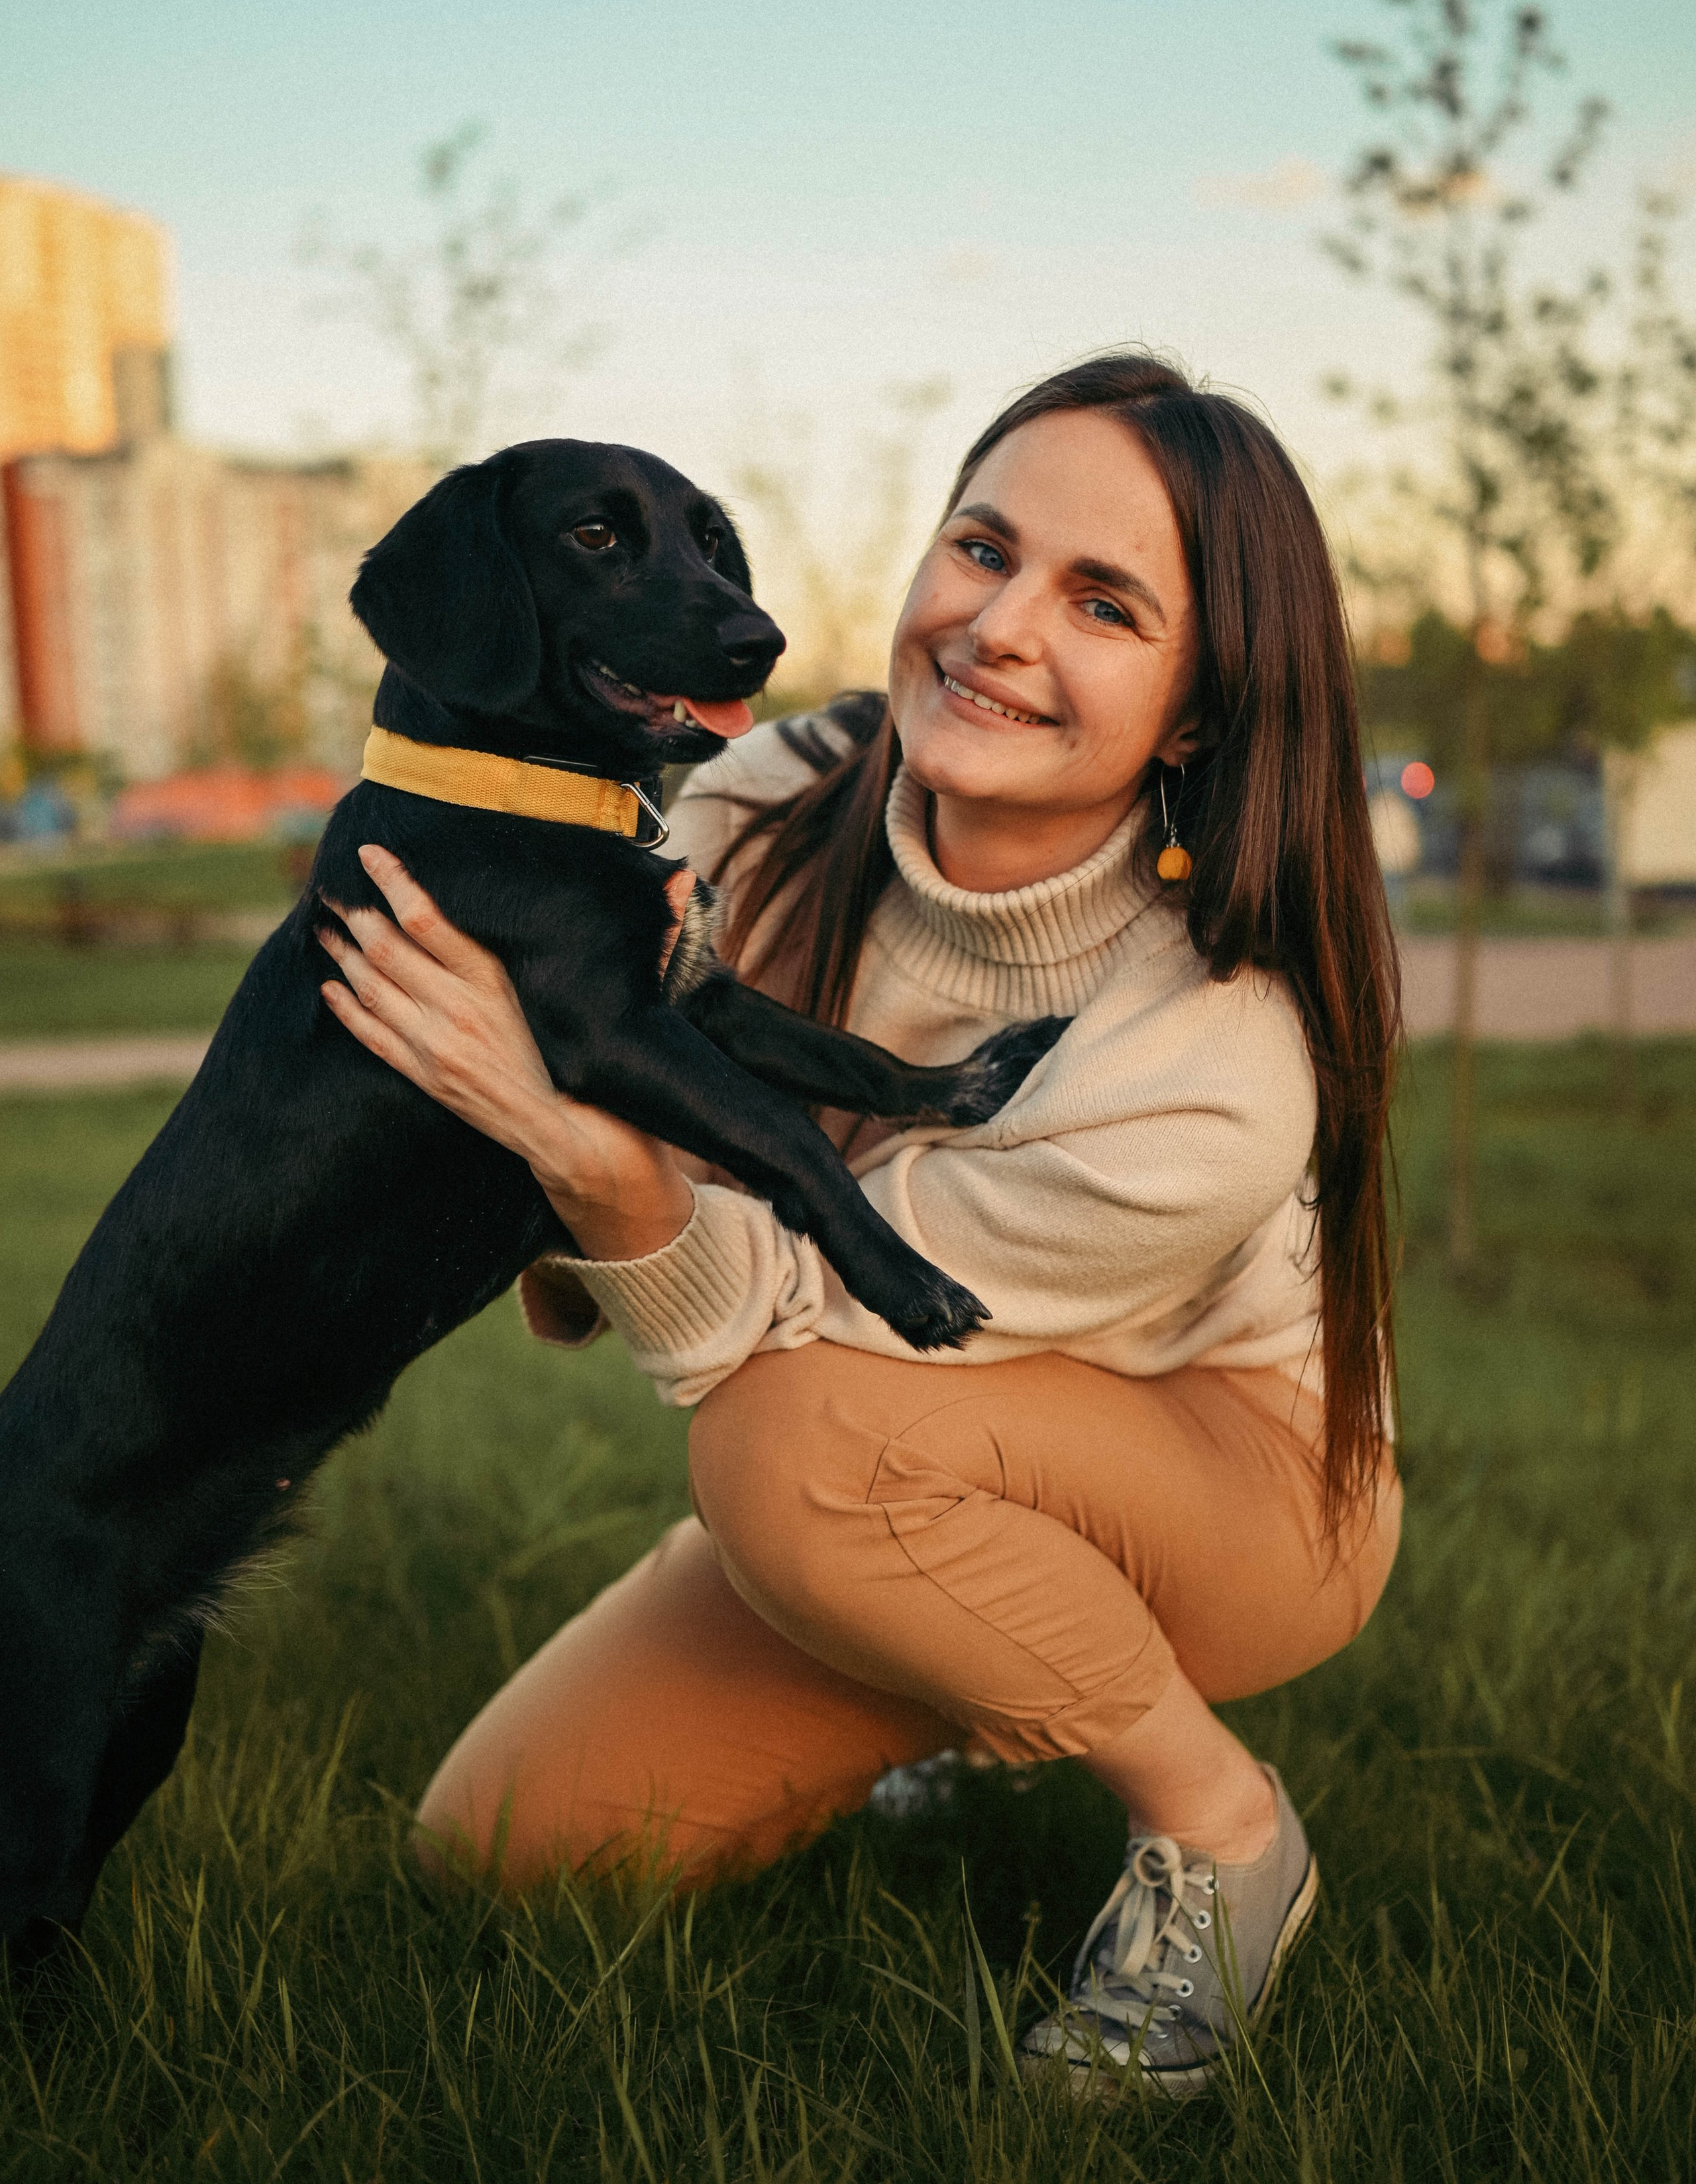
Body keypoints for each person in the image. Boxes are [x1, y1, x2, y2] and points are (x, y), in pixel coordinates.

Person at [317, 352, 1403, 2097]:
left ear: (1199, 712)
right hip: (918, 1461)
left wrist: (575, 1147)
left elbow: (815, 1318)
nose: (999, 624)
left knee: (794, 1431)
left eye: (1104, 602)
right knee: (507, 1844)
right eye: (984, 549)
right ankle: (955, 1674)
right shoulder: (758, 816)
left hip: (1236, 1490)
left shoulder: (1218, 1053)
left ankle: (1222, 1826)